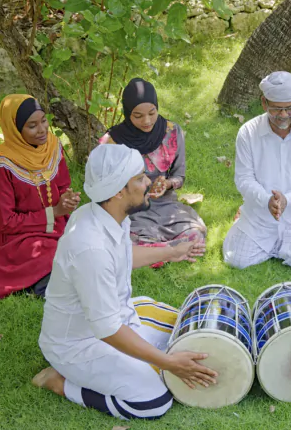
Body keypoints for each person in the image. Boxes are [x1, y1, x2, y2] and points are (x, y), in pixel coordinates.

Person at [33, 144, 214, 420]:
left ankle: (145, 353)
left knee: (192, 333)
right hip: (81, 345)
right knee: (154, 400)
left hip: (118, 315)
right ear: (118, 190)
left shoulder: (106, 213)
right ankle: (59, 382)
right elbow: (108, 330)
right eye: (140, 178)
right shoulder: (89, 247)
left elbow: (122, 255)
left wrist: (173, 250)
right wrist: (169, 363)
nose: (148, 182)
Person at [0, 95, 80, 299]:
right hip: (21, 235)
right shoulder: (3, 164)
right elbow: (6, 223)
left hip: (59, 223)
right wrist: (53, 212)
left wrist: (67, 198)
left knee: (85, 240)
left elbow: (63, 184)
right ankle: (40, 285)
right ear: (14, 128)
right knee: (52, 252)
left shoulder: (53, 146)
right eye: (32, 125)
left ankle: (46, 280)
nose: (42, 130)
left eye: (43, 121)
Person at [223, 71, 291, 272]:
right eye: (276, 109)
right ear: (264, 103)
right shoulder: (248, 132)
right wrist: (267, 200)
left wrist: (288, 199)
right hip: (261, 211)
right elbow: (244, 178)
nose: (283, 115)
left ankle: (284, 242)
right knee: (235, 258)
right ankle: (247, 222)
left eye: (289, 108)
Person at [100, 78, 206, 266]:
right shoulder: (112, 142)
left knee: (195, 233)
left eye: (152, 113)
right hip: (132, 208)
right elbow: (104, 187)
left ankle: (161, 252)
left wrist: (167, 184)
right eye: (138, 116)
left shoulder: (171, 132)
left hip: (166, 206)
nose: (147, 121)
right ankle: (167, 251)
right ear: (127, 113)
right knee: (134, 239)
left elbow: (179, 176)